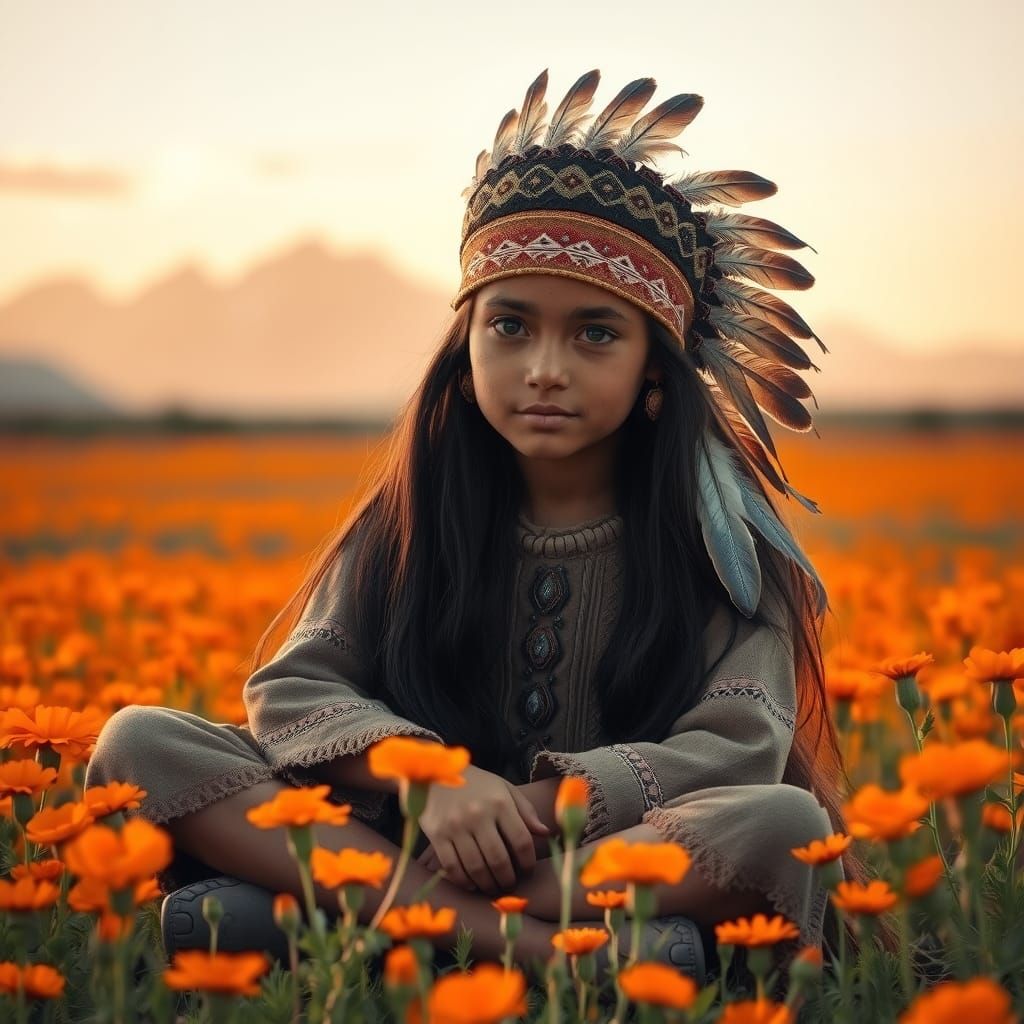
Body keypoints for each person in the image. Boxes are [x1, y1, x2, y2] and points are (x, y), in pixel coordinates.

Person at [86, 69, 851, 980]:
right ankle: (564, 960)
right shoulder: (407, 522)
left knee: (786, 823)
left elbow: (738, 746)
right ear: (467, 342)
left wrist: (535, 809)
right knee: (137, 742)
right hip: (431, 842)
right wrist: (435, 782)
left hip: (568, 860)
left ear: (658, 366)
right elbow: (293, 692)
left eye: (596, 333)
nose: (544, 368)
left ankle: (329, 924)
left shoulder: (718, 552)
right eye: (512, 326)